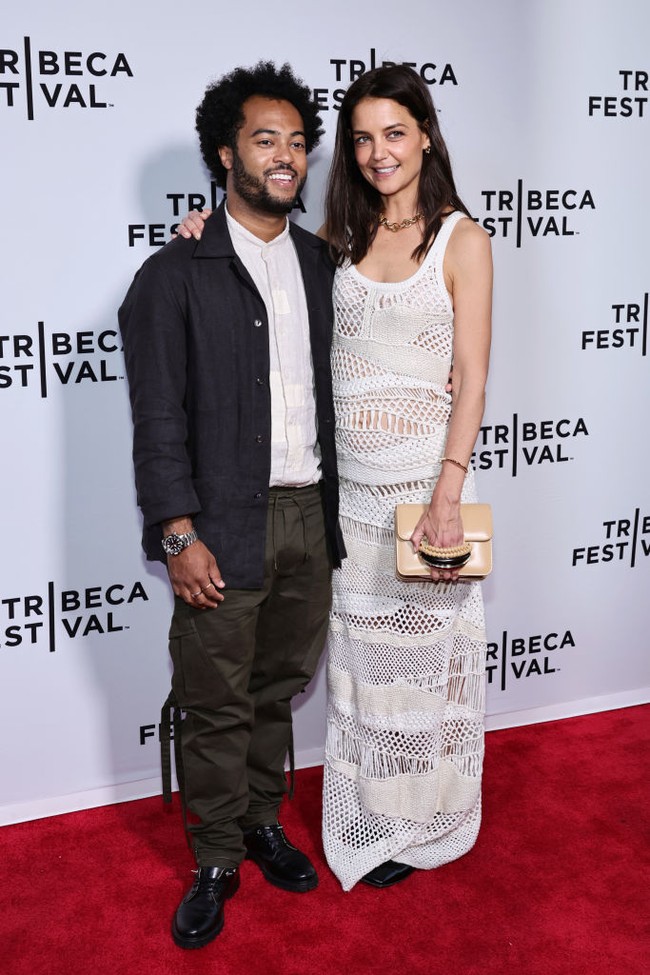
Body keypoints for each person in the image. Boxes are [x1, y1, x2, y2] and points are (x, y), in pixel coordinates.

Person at [177, 64, 492, 892]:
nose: (379, 151)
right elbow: (254, 262)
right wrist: (201, 236)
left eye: (395, 132)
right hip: (342, 502)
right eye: (362, 138)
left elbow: (473, 377)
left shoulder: (463, 239)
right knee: (359, 679)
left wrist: (447, 495)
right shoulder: (335, 245)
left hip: (422, 499)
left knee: (424, 673)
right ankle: (369, 815)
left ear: (426, 134)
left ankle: (424, 819)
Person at [118, 61, 345, 950]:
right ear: (226, 154)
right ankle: (215, 857)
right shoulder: (174, 275)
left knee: (276, 691)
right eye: (264, 140)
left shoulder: (325, 263)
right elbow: (156, 416)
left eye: (296, 142)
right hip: (220, 521)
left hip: (307, 517)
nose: (284, 157)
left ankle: (260, 821)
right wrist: (177, 532)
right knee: (214, 698)